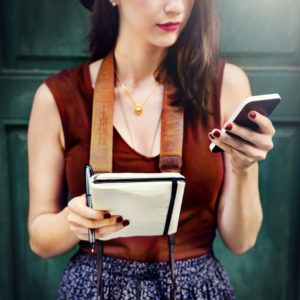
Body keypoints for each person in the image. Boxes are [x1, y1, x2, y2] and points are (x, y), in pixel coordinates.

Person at [27, 0, 275, 299]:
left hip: (197, 289)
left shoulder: (227, 85)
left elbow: (242, 240)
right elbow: (40, 240)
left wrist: (244, 167)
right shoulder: (57, 97)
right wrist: (74, 221)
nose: (176, 7)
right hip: (94, 288)